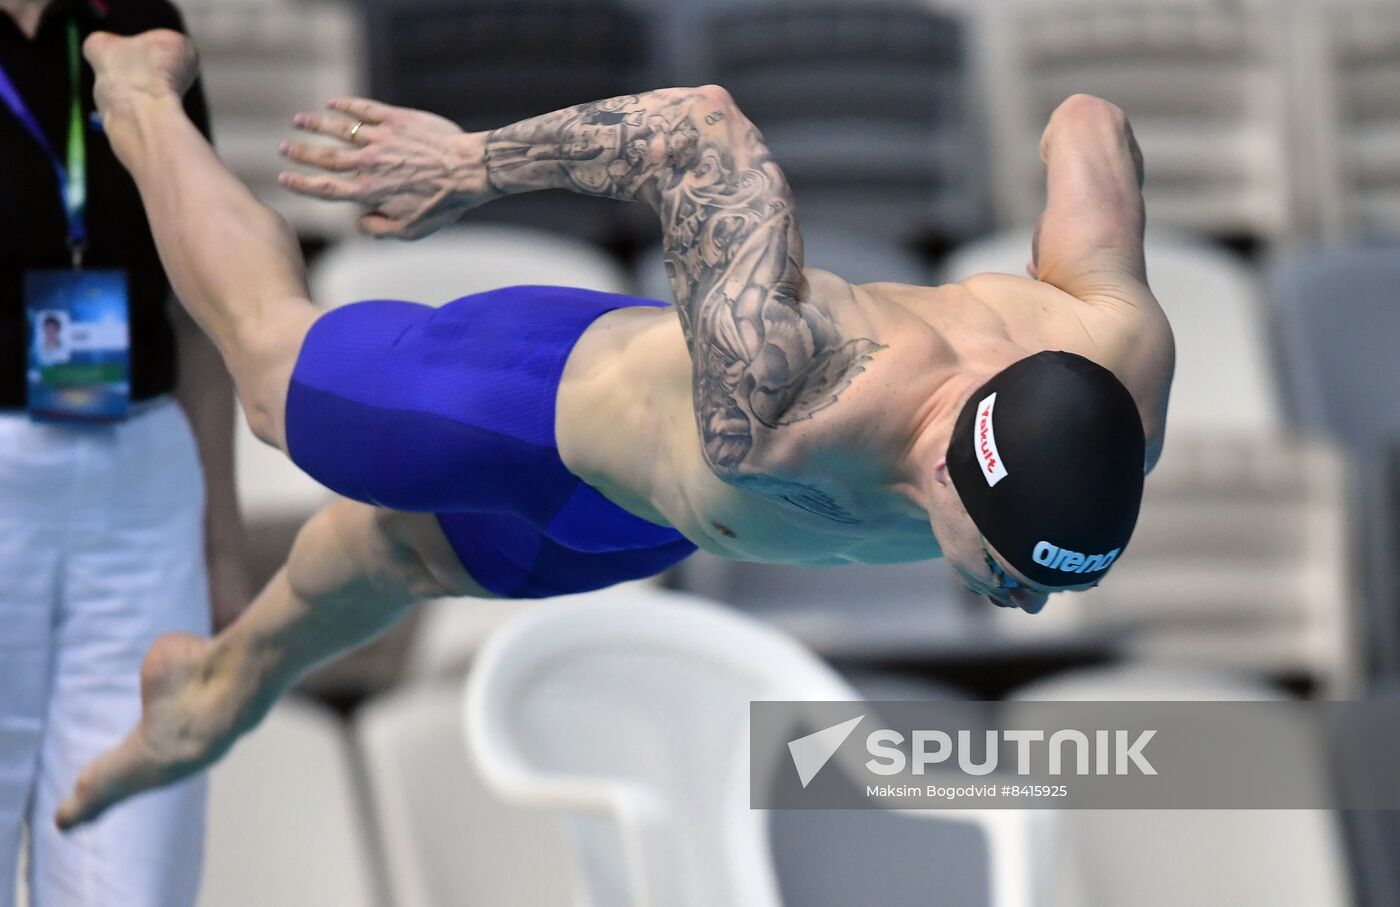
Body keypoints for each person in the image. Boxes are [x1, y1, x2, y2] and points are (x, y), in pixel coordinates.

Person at [54, 30, 1173, 830]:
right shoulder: (785, 397)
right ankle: (140, 94)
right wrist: (466, 166)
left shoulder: (1116, 345)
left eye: (1044, 579)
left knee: (394, 552)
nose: (1019, 604)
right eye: (1006, 566)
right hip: (540, 402)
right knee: (270, 375)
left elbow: (1090, 125)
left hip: (641, 521)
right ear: (943, 464)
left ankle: (212, 690)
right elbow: (696, 134)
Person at [0, 3, 248, 903]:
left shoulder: (140, 22)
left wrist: (223, 553)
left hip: (138, 486)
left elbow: (203, 307)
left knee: (133, 865)